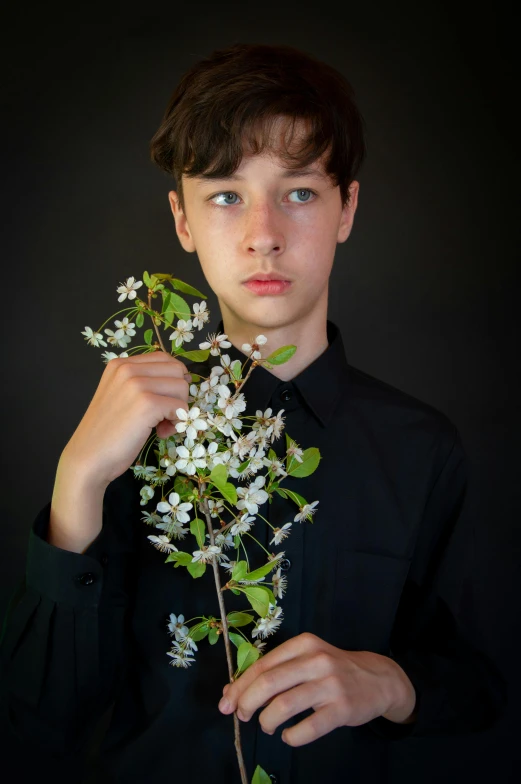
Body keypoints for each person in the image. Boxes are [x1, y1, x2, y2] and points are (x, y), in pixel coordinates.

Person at [0, 42, 506, 784]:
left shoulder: (420, 447)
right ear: (181, 219)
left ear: (346, 209)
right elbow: (40, 717)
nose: (262, 233)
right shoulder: (127, 436)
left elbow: (482, 688)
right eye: (226, 195)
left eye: (298, 193)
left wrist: (390, 683)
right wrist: (76, 481)